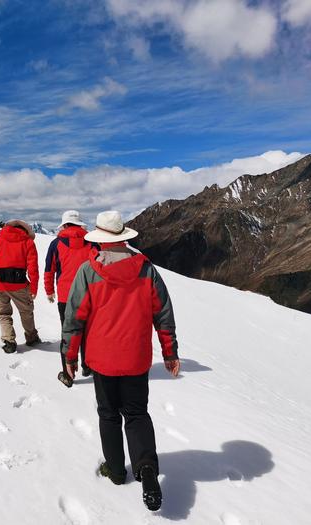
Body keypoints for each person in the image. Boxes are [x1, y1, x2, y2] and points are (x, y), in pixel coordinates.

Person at [61, 210, 180, 512]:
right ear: (124, 238)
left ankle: (115, 471)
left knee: (109, 415)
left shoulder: (89, 272)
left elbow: (74, 317)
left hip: (102, 360)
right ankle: (147, 469)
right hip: (137, 358)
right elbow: (163, 313)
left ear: (100, 240)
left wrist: (69, 357)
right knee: (137, 414)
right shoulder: (146, 270)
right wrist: (169, 352)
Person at [43, 210, 96, 383]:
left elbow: (49, 270)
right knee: (88, 333)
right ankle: (88, 366)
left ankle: (67, 375)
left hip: (66, 297)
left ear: (64, 225)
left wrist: (49, 290)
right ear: (80, 225)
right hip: (89, 296)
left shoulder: (56, 244)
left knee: (68, 335)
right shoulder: (93, 243)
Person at [0, 219, 40, 354]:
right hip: (19, 285)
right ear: (24, 230)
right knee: (26, 312)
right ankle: (32, 338)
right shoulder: (28, 242)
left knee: (3, 313)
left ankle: (9, 341)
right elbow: (33, 268)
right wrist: (34, 288)